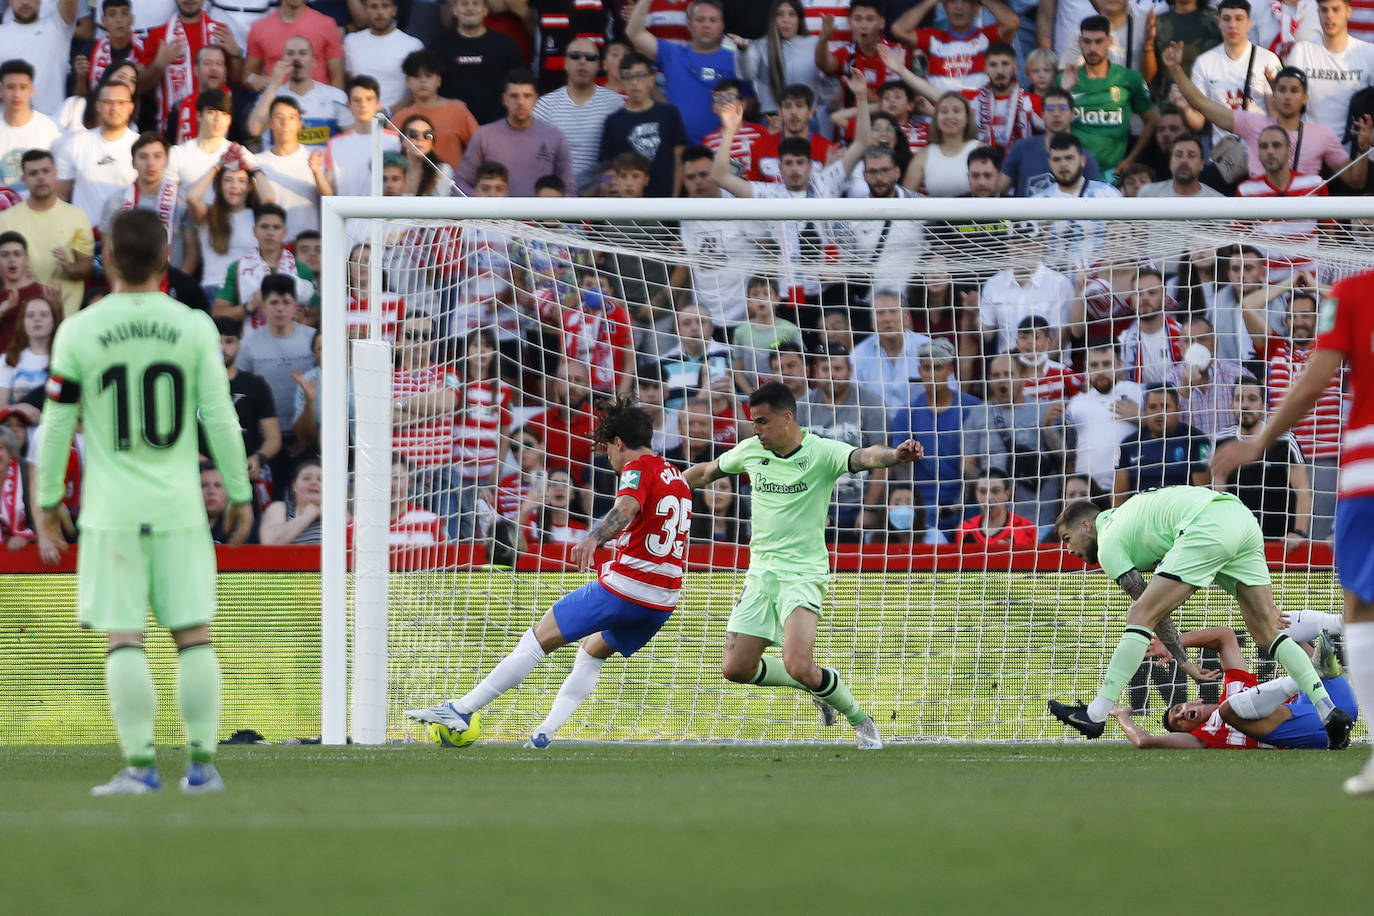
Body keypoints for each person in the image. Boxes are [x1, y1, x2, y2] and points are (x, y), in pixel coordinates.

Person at [34, 207, 252, 795]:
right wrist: (239, 490)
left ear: (104, 256)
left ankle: (140, 767)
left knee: (124, 636)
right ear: (165, 260)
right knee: (194, 635)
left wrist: (48, 498)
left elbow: (56, 426)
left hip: (111, 511)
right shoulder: (194, 326)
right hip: (181, 505)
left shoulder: (79, 329)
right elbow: (219, 414)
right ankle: (203, 769)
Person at [407, 398, 694, 748]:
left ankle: (462, 709)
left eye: (608, 450)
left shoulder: (637, 469)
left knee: (536, 639)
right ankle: (545, 732)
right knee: (591, 651)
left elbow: (627, 505)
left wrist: (594, 537)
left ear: (620, 443)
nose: (610, 460)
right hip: (663, 601)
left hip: (628, 587)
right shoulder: (676, 476)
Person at [683, 381, 923, 748]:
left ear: (787, 417)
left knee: (797, 663)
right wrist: (663, 485)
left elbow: (865, 457)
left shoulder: (821, 452)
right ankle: (817, 684)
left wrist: (896, 455)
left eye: (762, 422)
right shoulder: (749, 451)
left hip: (803, 573)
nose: (756, 430)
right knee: (735, 669)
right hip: (761, 574)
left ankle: (861, 720)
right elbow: (703, 473)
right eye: (753, 423)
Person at [1210, 265, 1374, 794]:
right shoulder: (1325, 309)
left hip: (1363, 465)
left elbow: (1319, 378)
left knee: (1362, 605)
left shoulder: (1353, 294)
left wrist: (1260, 443)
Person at [1047, 486, 1352, 748]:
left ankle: (1096, 714)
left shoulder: (1110, 539)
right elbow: (1158, 611)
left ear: (1086, 526)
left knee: (1138, 615)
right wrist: (1184, 659)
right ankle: (1328, 712)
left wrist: (1182, 658)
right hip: (1240, 517)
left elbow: (1147, 609)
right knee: (1267, 631)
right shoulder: (1130, 514)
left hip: (1207, 524)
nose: (1068, 549)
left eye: (1066, 538)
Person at [1111, 627, 1357, 750]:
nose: (1180, 716)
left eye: (1177, 709)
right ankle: (1304, 675)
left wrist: (1172, 644)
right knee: (1229, 711)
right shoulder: (1201, 737)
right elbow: (1144, 741)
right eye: (1179, 723)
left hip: (1335, 706)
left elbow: (1225, 636)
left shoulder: (1236, 685)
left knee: (1281, 631)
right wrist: (1123, 717)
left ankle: (1317, 658)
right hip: (1317, 731)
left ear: (1194, 701)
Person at [1165, 51, 1369, 187]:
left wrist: (1362, 148)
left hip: (1303, 226)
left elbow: (1355, 181)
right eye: (1281, 89)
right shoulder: (1253, 124)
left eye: (1294, 90)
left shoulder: (1322, 134)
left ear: (1305, 97)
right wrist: (1175, 68)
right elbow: (1202, 104)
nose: (1288, 95)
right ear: (1274, 93)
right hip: (1261, 225)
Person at [797, 343, 891, 541]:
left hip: (858, 502)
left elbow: (882, 463)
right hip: (816, 502)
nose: (831, 375)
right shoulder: (803, 407)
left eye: (838, 369)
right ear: (816, 372)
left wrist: (870, 509)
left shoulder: (871, 403)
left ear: (850, 370)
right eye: (825, 369)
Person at [1058, 15, 1158, 182]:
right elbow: (1050, 125)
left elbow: (1152, 120)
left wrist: (1131, 159)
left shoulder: (1129, 78)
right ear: (1080, 42)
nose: (1092, 48)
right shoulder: (1065, 79)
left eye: (1099, 41)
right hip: (1073, 171)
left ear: (1109, 41)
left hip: (1113, 174)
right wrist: (1063, 92)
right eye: (1087, 41)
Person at [1212, 379, 1312, 543]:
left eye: (1252, 399)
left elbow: (1303, 490)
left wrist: (1299, 532)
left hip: (1280, 539)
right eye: (1239, 399)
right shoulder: (1222, 440)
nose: (1244, 405)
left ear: (1264, 406)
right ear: (1231, 405)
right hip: (1237, 540)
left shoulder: (1285, 439)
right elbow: (1219, 493)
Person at [626, 0, 735, 144]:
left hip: (723, 149)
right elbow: (634, 33)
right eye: (700, 20)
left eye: (713, 20)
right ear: (688, 24)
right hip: (678, 151)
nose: (706, 25)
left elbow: (749, 104)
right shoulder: (672, 54)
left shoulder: (735, 60)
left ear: (722, 25)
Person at [456, 69, 578, 198]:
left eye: (527, 96)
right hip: (496, 217)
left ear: (536, 99)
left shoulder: (555, 137)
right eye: (514, 96)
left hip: (539, 216)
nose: (520, 102)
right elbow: (460, 183)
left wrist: (554, 214)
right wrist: (483, 203)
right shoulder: (485, 135)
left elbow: (569, 189)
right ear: (505, 99)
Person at [0, 150, 94, 316]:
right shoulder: (6, 220)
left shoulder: (77, 216)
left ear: (55, 175)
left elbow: (86, 267)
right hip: (21, 317)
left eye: (45, 171)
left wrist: (69, 267)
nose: (41, 178)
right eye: (33, 173)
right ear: (24, 180)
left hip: (66, 314)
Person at [533, 38, 625, 195]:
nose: (582, 61)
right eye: (575, 56)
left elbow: (619, 160)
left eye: (590, 58)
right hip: (554, 198)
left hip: (600, 198)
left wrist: (601, 188)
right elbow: (535, 157)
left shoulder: (615, 103)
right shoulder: (545, 105)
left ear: (599, 65)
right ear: (565, 62)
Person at [1185, 0, 1281, 143]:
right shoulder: (1204, 63)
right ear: (1218, 21)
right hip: (1222, 157)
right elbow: (1198, 122)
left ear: (1249, 22)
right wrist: (1184, 108)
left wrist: (1277, 92)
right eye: (1227, 19)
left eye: (1239, 19)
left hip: (1259, 154)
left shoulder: (1268, 60)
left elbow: (1277, 119)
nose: (1233, 25)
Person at [139, 0, 238, 133]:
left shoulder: (219, 32)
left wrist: (236, 54)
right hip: (171, 129)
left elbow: (236, 82)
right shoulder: (159, 35)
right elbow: (140, 88)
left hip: (217, 128)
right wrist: (159, 64)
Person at [598, 52, 687, 198]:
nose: (634, 83)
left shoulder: (669, 114)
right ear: (623, 82)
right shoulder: (613, 121)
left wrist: (675, 199)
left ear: (651, 80)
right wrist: (608, 192)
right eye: (628, 77)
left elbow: (679, 160)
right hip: (628, 206)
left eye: (639, 76)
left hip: (665, 202)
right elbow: (606, 168)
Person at [55, 79, 139, 228]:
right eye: (108, 102)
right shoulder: (75, 143)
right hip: (83, 239)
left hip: (127, 238)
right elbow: (60, 197)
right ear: (97, 106)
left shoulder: (140, 147)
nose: (114, 108)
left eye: (121, 103)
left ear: (131, 107)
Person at [1284, 0, 1374, 136]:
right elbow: (1288, 106)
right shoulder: (1302, 51)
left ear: (1348, 12)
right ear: (1318, 12)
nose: (1329, 16)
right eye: (1324, 10)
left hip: (1352, 153)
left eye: (1336, 10)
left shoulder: (1369, 53)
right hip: (1307, 149)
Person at [430, 0, 525, 126]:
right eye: (464, 4)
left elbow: (519, 83)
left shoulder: (505, 44)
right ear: (455, 10)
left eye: (476, 4)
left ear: (485, 10)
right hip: (450, 125)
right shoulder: (438, 46)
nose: (470, 8)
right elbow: (429, 85)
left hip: (496, 125)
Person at [245, 37, 353, 148]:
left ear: (313, 62)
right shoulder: (269, 97)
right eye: (290, 54)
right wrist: (273, 84)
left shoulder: (335, 96)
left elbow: (353, 138)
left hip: (321, 164)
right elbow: (255, 129)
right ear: (283, 60)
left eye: (303, 53)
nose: (296, 58)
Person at [1113, 382, 1210, 503]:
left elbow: (1203, 493)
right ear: (1145, 411)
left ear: (1178, 409)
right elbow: (1119, 495)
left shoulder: (1196, 440)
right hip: (1140, 514)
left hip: (1181, 511)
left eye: (1165, 406)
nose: (1159, 413)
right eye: (1153, 407)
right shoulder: (1129, 444)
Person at [1000, 86, 1102, 197]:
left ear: (1073, 114)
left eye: (1062, 108)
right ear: (1042, 115)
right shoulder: (1020, 149)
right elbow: (998, 188)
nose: (1056, 114)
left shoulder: (1085, 159)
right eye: (1050, 109)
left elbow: (1094, 198)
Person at [732, 0, 822, 124]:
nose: (786, 20)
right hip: (771, 119)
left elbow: (827, 79)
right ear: (773, 19)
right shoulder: (761, 44)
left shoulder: (814, 43)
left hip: (807, 120)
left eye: (792, 14)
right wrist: (743, 50)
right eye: (780, 15)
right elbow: (746, 75)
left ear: (799, 19)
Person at [254, 97, 331, 239]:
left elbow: (330, 200)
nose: (285, 123)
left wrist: (316, 173)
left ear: (299, 124)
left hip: (308, 246)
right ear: (270, 123)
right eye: (279, 117)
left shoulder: (315, 158)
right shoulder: (257, 162)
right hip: (273, 245)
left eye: (291, 117)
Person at [392, 50, 479, 170]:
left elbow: (479, 148)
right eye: (417, 76)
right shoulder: (399, 118)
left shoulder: (458, 110)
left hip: (454, 185)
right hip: (414, 186)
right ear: (408, 82)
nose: (423, 81)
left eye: (428, 76)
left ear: (438, 80)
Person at [0, 0, 80, 118]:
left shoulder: (58, 27)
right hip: (8, 124)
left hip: (53, 123)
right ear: (9, 1)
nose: (25, 2)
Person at [244, 0, 345, 93]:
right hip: (276, 104)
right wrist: (254, 79)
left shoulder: (326, 25)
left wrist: (336, 108)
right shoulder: (260, 27)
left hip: (318, 105)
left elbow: (337, 78)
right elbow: (247, 75)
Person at [343, 0, 423, 110]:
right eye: (374, 7)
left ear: (394, 10)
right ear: (366, 10)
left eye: (385, 6)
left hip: (399, 120)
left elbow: (418, 90)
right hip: (359, 117)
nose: (380, 12)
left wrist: (388, 114)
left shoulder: (412, 45)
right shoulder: (351, 42)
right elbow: (349, 82)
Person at [902, 91, 980, 196]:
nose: (949, 116)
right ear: (936, 117)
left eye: (956, 111)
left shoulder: (980, 150)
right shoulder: (924, 155)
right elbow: (904, 199)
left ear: (967, 117)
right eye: (943, 111)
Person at [0, 60, 61, 194]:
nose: (16, 94)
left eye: (23, 87)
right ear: (1, 91)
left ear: (32, 90)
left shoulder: (50, 129)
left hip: (39, 210)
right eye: (10, 87)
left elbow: (60, 177)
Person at [954, 468, 1038, 547]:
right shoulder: (964, 529)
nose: (989, 498)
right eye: (982, 491)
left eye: (995, 491)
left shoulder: (1026, 528)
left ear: (1007, 494)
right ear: (976, 494)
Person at [0, 295, 59, 405]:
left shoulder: (64, 358)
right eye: (30, 315)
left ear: (53, 321)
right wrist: (20, 409)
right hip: (17, 422)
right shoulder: (8, 359)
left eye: (44, 314)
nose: (37, 319)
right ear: (22, 323)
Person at [259, 457, 322, 544]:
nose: (314, 482)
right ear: (294, 486)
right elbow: (269, 543)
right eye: (306, 478)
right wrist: (308, 515)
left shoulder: (337, 514)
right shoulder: (280, 508)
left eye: (320, 479)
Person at [1136, 136, 1223, 198]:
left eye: (1191, 155)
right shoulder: (1148, 194)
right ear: (1170, 162)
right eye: (1178, 155)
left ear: (1201, 164)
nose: (1184, 160)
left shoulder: (1217, 201)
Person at [202, 461, 257, 545]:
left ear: (229, 491)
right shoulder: (182, 526)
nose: (211, 491)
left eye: (218, 485)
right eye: (204, 485)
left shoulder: (241, 527)